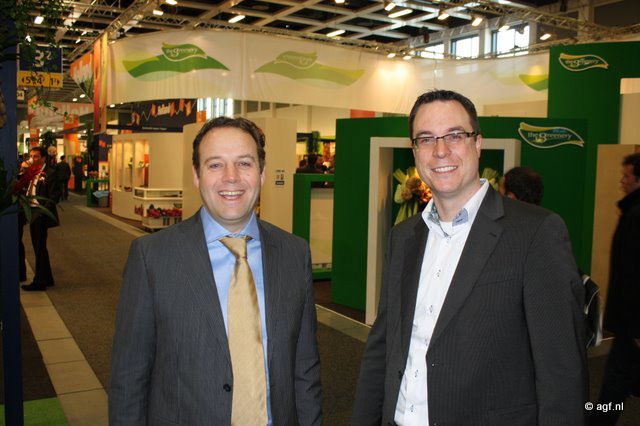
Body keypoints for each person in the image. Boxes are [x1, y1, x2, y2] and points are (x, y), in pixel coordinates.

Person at [352, 90, 587, 425]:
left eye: (455, 135)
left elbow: (562, 373)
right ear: (414, 151)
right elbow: (384, 345)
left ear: (478, 143)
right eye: (426, 139)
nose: (440, 151)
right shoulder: (403, 237)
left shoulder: (535, 233)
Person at [109, 116, 322, 425]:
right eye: (215, 165)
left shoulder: (294, 254)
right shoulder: (152, 257)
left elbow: (305, 368)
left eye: (244, 163)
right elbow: (129, 378)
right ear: (197, 175)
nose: (231, 177)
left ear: (262, 173)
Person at [590, 152, 640, 426]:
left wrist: (635, 327)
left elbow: (634, 276)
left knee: (616, 378)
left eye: (627, 176)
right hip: (630, 321)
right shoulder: (631, 212)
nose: (622, 181)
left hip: (631, 322)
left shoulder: (635, 216)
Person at [20, 146, 60, 291]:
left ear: (43, 158)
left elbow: (54, 196)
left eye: (36, 156)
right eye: (31, 156)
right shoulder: (32, 171)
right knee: (39, 247)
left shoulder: (50, 173)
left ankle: (39, 281)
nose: (32, 159)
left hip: (40, 213)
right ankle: (47, 278)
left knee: (39, 247)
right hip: (31, 211)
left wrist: (43, 211)